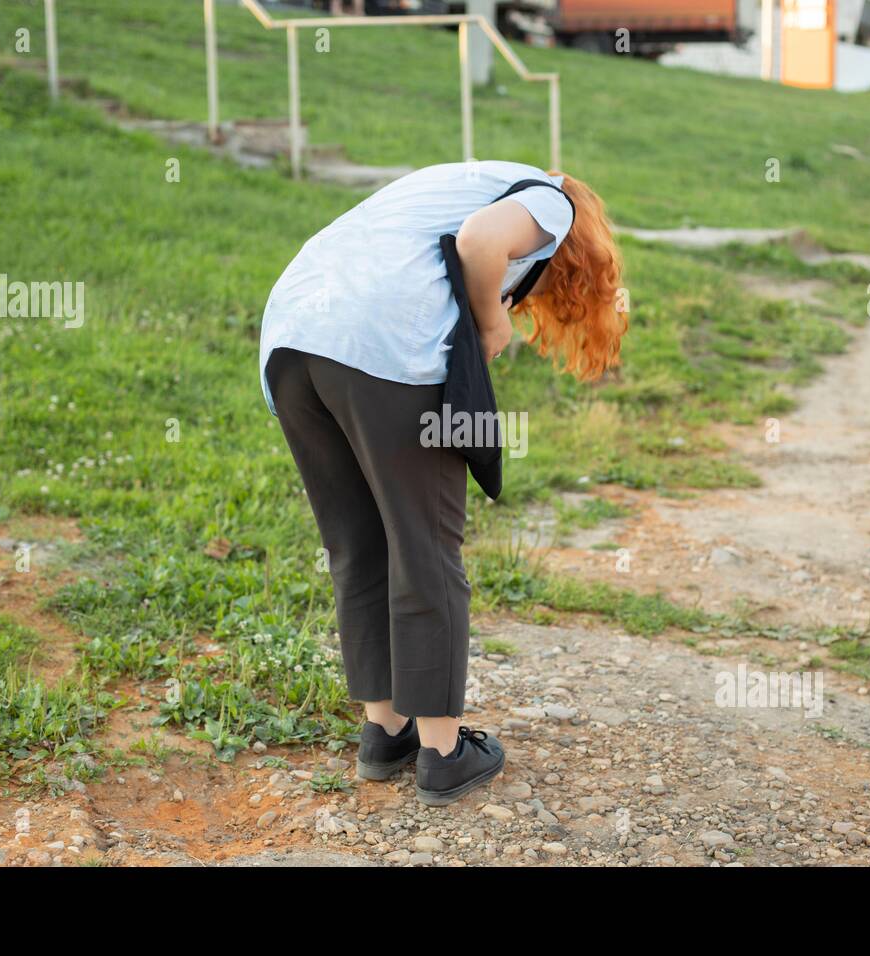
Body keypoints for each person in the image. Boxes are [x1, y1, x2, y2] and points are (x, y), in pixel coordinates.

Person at [259, 160, 625, 805]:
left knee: (358, 543)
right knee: (425, 543)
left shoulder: (451, 182)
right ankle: (443, 752)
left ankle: (385, 733)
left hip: (293, 335)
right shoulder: (552, 200)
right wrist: (491, 322)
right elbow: (482, 243)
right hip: (379, 344)